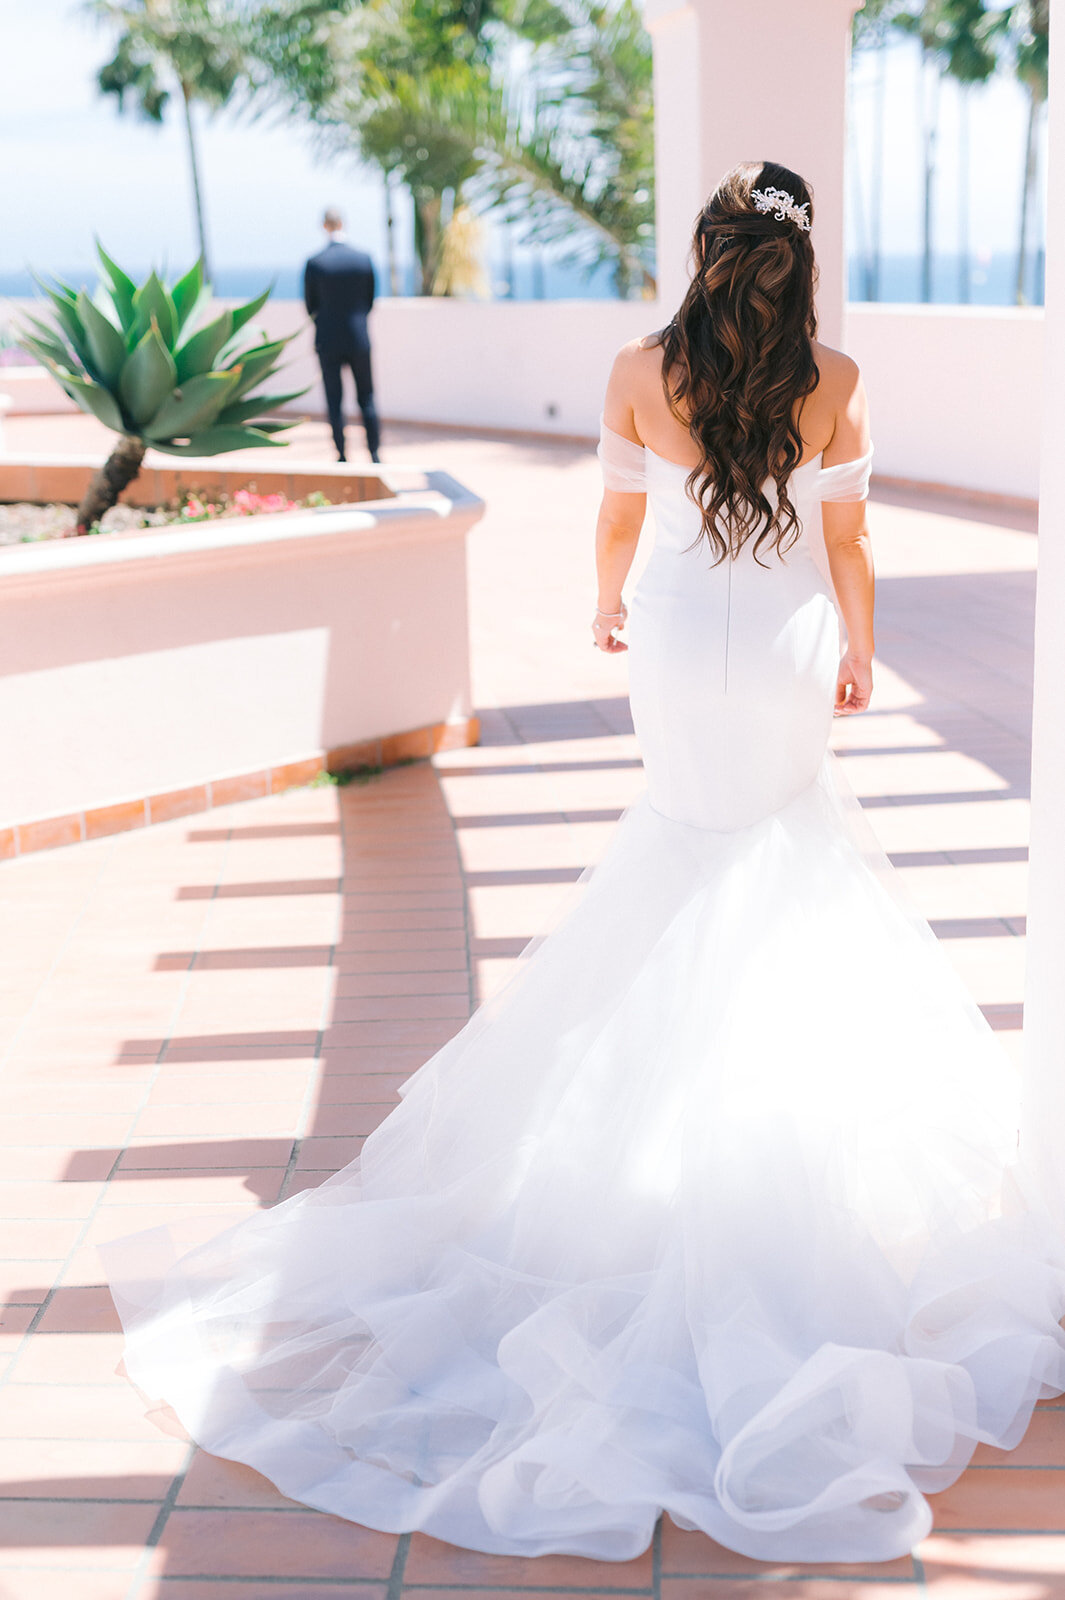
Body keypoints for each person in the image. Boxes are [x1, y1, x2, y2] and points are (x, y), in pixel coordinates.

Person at [106, 162, 1065, 1566]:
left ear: (705, 254)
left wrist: (604, 603)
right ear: (797, 267)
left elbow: (618, 524)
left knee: (683, 853)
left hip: (681, 642)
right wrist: (860, 645)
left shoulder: (635, 368)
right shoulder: (838, 374)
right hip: (788, 641)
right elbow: (848, 539)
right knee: (781, 857)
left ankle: (658, 1150)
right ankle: (769, 1162)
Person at [303, 208, 381, 463]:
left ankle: (342, 455)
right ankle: (374, 453)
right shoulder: (363, 259)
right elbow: (369, 300)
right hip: (359, 338)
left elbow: (310, 306)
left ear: (325, 226)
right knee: (366, 397)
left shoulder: (315, 263)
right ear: (343, 223)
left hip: (327, 339)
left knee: (334, 400)